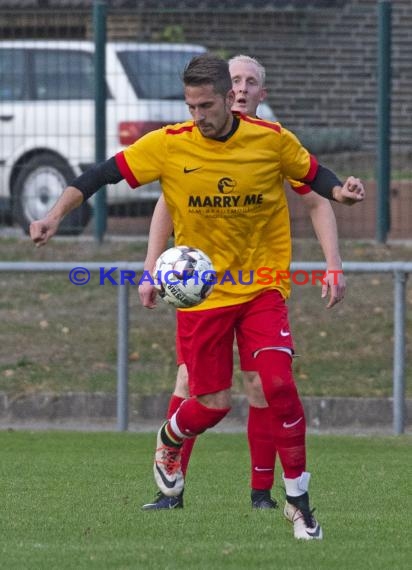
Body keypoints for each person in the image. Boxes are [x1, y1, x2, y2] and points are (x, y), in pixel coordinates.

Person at [30, 53, 365, 541]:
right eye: (190, 106)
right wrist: (55, 216)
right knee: (211, 403)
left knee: (277, 384)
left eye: (206, 105)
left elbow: (314, 176)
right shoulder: (169, 146)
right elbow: (99, 176)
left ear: (230, 99)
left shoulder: (269, 141)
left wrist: (343, 192)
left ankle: (298, 503)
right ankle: (171, 438)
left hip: (262, 287)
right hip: (202, 297)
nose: (198, 115)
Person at [138, 55, 365, 512]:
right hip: (204, 288)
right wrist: (152, 267)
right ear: (224, 90)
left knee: (265, 386)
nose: (241, 88)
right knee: (192, 385)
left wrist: (333, 263)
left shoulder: (273, 143)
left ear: (262, 93)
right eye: (235, 79)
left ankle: (261, 492)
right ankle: (171, 488)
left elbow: (319, 198)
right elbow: (167, 202)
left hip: (258, 283)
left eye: (251, 82)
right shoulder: (190, 143)